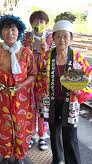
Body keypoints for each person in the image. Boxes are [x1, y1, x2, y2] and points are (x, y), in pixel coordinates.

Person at [41, 12, 92, 164]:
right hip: (51, 101)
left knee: (70, 135)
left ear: (71, 38)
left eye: (65, 36)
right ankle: (57, 158)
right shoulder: (46, 57)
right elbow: (39, 77)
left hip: (70, 102)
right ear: (53, 38)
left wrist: (81, 90)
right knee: (54, 130)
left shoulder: (78, 58)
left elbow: (88, 76)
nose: (62, 40)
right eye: (58, 36)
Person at [0, 15, 37, 164]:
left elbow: (33, 74)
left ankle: (20, 157)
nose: (10, 32)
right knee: (3, 128)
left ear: (18, 31)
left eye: (13, 29)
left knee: (21, 128)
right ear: (1, 32)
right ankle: (6, 155)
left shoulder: (26, 53)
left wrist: (20, 85)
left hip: (22, 98)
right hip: (1, 97)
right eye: (6, 29)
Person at [22, 10, 54, 151]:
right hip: (28, 78)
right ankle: (30, 136)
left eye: (41, 22)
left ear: (46, 23)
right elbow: (20, 53)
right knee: (30, 107)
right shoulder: (26, 36)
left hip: (45, 80)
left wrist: (47, 51)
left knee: (44, 108)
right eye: (35, 21)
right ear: (31, 23)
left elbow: (55, 56)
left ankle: (42, 136)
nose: (38, 24)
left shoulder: (51, 38)